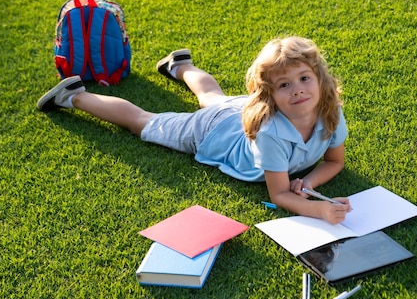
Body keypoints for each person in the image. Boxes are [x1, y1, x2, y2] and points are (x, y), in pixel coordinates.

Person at [37, 36, 351, 224]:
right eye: (284, 84)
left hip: (238, 112)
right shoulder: (271, 132)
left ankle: (179, 64)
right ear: (269, 95)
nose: (298, 90)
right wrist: (319, 209)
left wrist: (308, 182)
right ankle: (74, 95)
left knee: (212, 97)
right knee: (145, 122)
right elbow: (279, 194)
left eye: (304, 79)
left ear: (320, 79)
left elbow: (335, 161)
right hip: (214, 132)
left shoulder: (330, 111)